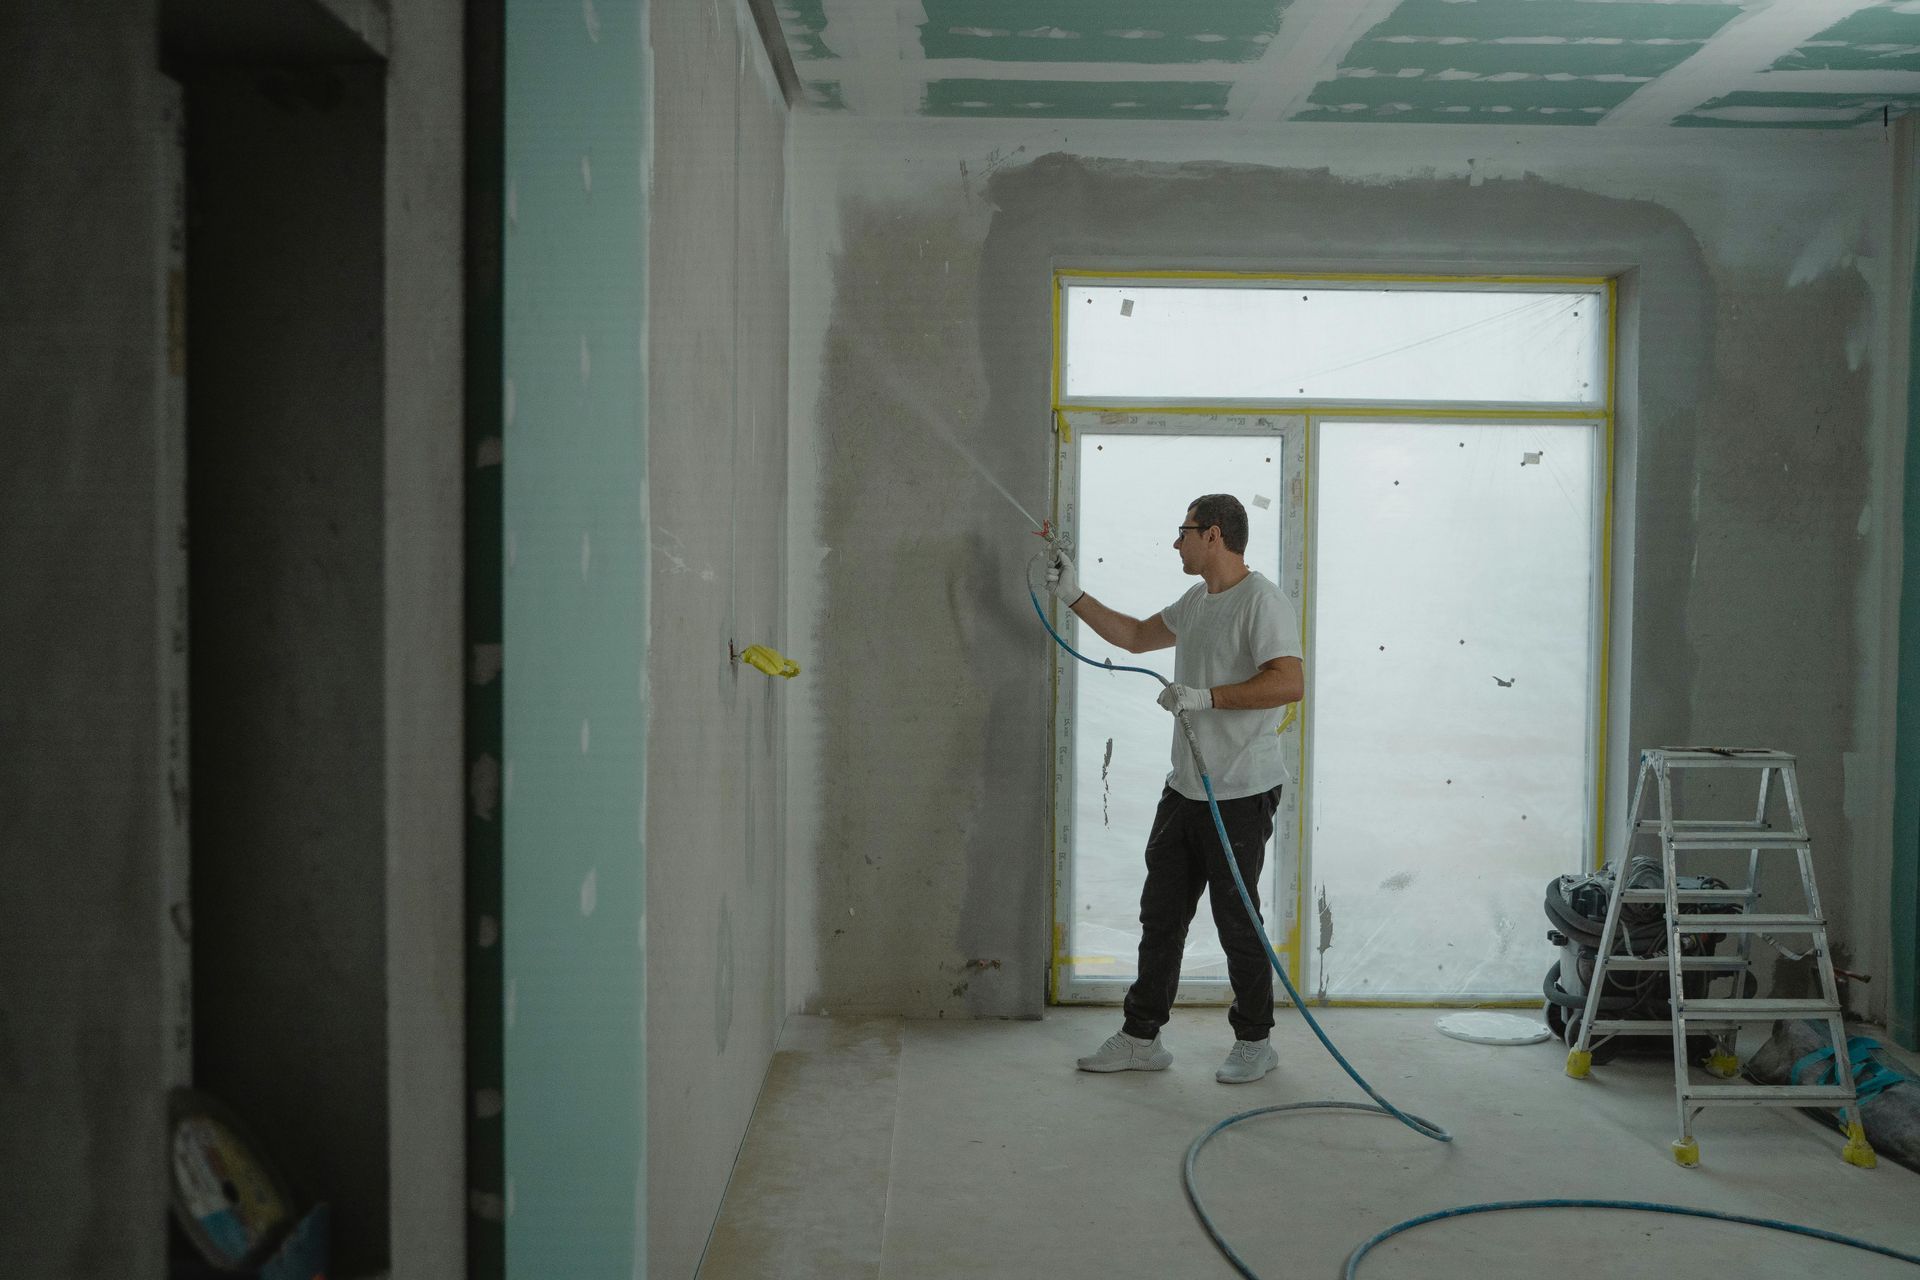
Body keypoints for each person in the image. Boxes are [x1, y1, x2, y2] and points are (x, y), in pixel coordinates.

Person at [1046, 494, 1304, 1084]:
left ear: (1212, 535)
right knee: (1161, 914)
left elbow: (1289, 683)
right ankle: (1142, 1037)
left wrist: (1206, 696)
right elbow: (1136, 636)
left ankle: (1255, 1041)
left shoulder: (1262, 602)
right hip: (1186, 787)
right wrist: (1073, 596)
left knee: (1237, 917)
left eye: (1183, 531)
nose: (1176, 542)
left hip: (1239, 790)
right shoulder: (1198, 600)